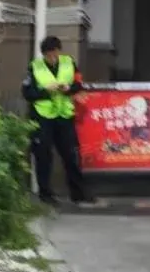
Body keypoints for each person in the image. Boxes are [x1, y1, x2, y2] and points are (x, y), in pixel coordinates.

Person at [22, 36, 95, 207]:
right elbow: (27, 93)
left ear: (59, 51)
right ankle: (45, 194)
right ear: (44, 54)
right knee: (43, 155)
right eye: (49, 55)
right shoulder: (35, 67)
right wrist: (46, 91)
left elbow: (79, 85)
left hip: (64, 116)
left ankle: (78, 193)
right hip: (43, 117)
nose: (53, 58)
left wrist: (69, 88)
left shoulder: (69, 63)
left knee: (71, 155)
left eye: (55, 54)